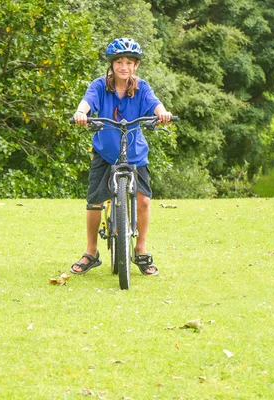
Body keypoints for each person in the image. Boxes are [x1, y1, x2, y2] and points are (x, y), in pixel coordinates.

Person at [70, 37, 173, 276]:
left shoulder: (141, 87)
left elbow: (155, 104)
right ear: (112, 64)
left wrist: (163, 113)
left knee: (144, 200)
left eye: (129, 62)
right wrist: (80, 113)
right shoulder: (99, 85)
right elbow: (87, 102)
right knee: (95, 202)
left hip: (135, 155)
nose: (124, 66)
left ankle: (140, 250)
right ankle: (91, 252)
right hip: (105, 153)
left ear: (136, 65)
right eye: (119, 61)